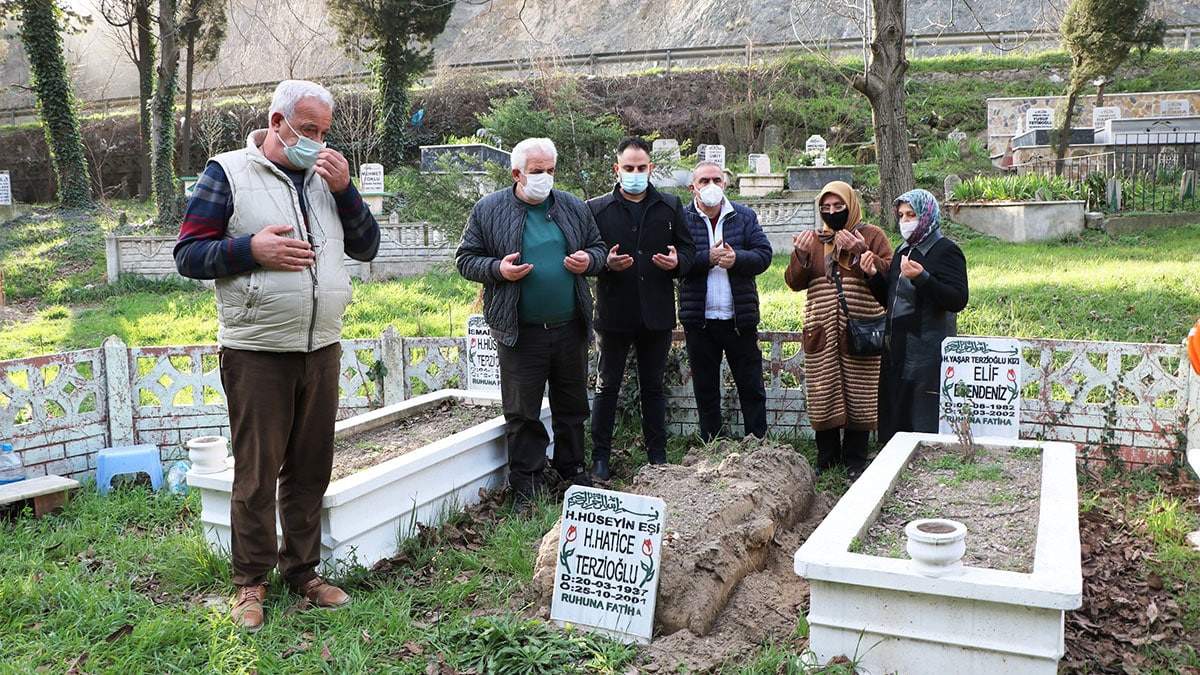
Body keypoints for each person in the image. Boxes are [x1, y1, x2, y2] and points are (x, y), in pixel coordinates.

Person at [173, 80, 381, 632]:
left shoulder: (326, 179)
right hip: (258, 350)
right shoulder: (228, 173)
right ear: (276, 120)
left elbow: (366, 246)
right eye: (306, 130)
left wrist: (346, 192)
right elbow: (188, 254)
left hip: (322, 346)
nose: (316, 141)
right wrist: (250, 250)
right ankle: (250, 583)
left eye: (323, 132)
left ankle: (303, 572)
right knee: (258, 473)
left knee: (311, 468)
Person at [455, 137, 606, 506]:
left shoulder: (572, 207)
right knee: (523, 412)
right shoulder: (489, 209)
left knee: (572, 407)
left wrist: (589, 260)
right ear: (517, 173)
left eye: (551, 171)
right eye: (538, 172)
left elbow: (599, 249)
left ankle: (573, 472)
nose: (545, 178)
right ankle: (527, 483)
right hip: (520, 332)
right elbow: (465, 259)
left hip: (569, 326)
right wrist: (498, 269)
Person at [587, 137, 696, 479]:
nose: (635, 174)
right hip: (614, 313)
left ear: (650, 168)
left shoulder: (669, 206)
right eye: (628, 168)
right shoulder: (597, 208)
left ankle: (657, 457)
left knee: (653, 387)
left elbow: (688, 252)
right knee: (607, 386)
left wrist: (676, 262)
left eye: (641, 168)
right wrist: (605, 263)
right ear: (616, 170)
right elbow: (585, 256)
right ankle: (600, 458)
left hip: (657, 313)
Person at [784, 181, 892, 477]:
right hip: (821, 332)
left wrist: (860, 251)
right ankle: (827, 459)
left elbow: (889, 276)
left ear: (851, 205)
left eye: (838, 206)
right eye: (826, 208)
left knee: (861, 394)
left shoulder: (872, 235)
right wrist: (801, 255)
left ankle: (856, 460)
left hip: (859, 330)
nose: (832, 212)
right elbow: (793, 282)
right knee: (823, 393)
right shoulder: (815, 239)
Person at [861, 188, 969, 445]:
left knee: (920, 416)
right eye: (901, 215)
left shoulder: (946, 250)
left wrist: (923, 278)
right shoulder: (903, 250)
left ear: (927, 215)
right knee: (893, 412)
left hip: (926, 351)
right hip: (895, 347)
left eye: (911, 214)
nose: (905, 221)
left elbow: (957, 300)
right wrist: (873, 276)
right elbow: (891, 301)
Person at [678, 161, 773, 441]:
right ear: (692, 187)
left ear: (725, 184)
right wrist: (706, 259)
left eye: (716, 180)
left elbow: (764, 255)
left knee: (751, 386)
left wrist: (737, 259)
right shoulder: (681, 219)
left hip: (738, 318)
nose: (711, 186)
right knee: (706, 388)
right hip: (700, 319)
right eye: (704, 180)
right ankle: (712, 444)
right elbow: (674, 263)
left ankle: (757, 442)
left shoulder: (744, 216)